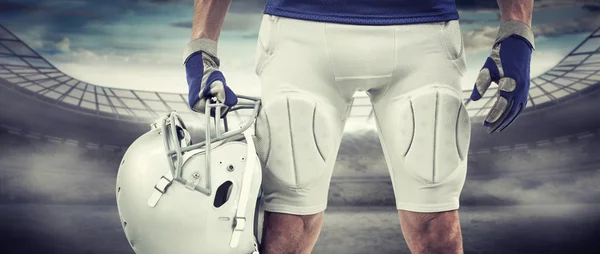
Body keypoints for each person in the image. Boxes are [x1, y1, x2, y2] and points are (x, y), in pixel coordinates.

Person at [183, 0, 535, 253]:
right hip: (302, 31)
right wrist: (202, 43)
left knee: (437, 228)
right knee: (287, 227)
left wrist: (516, 27)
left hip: (424, 32)